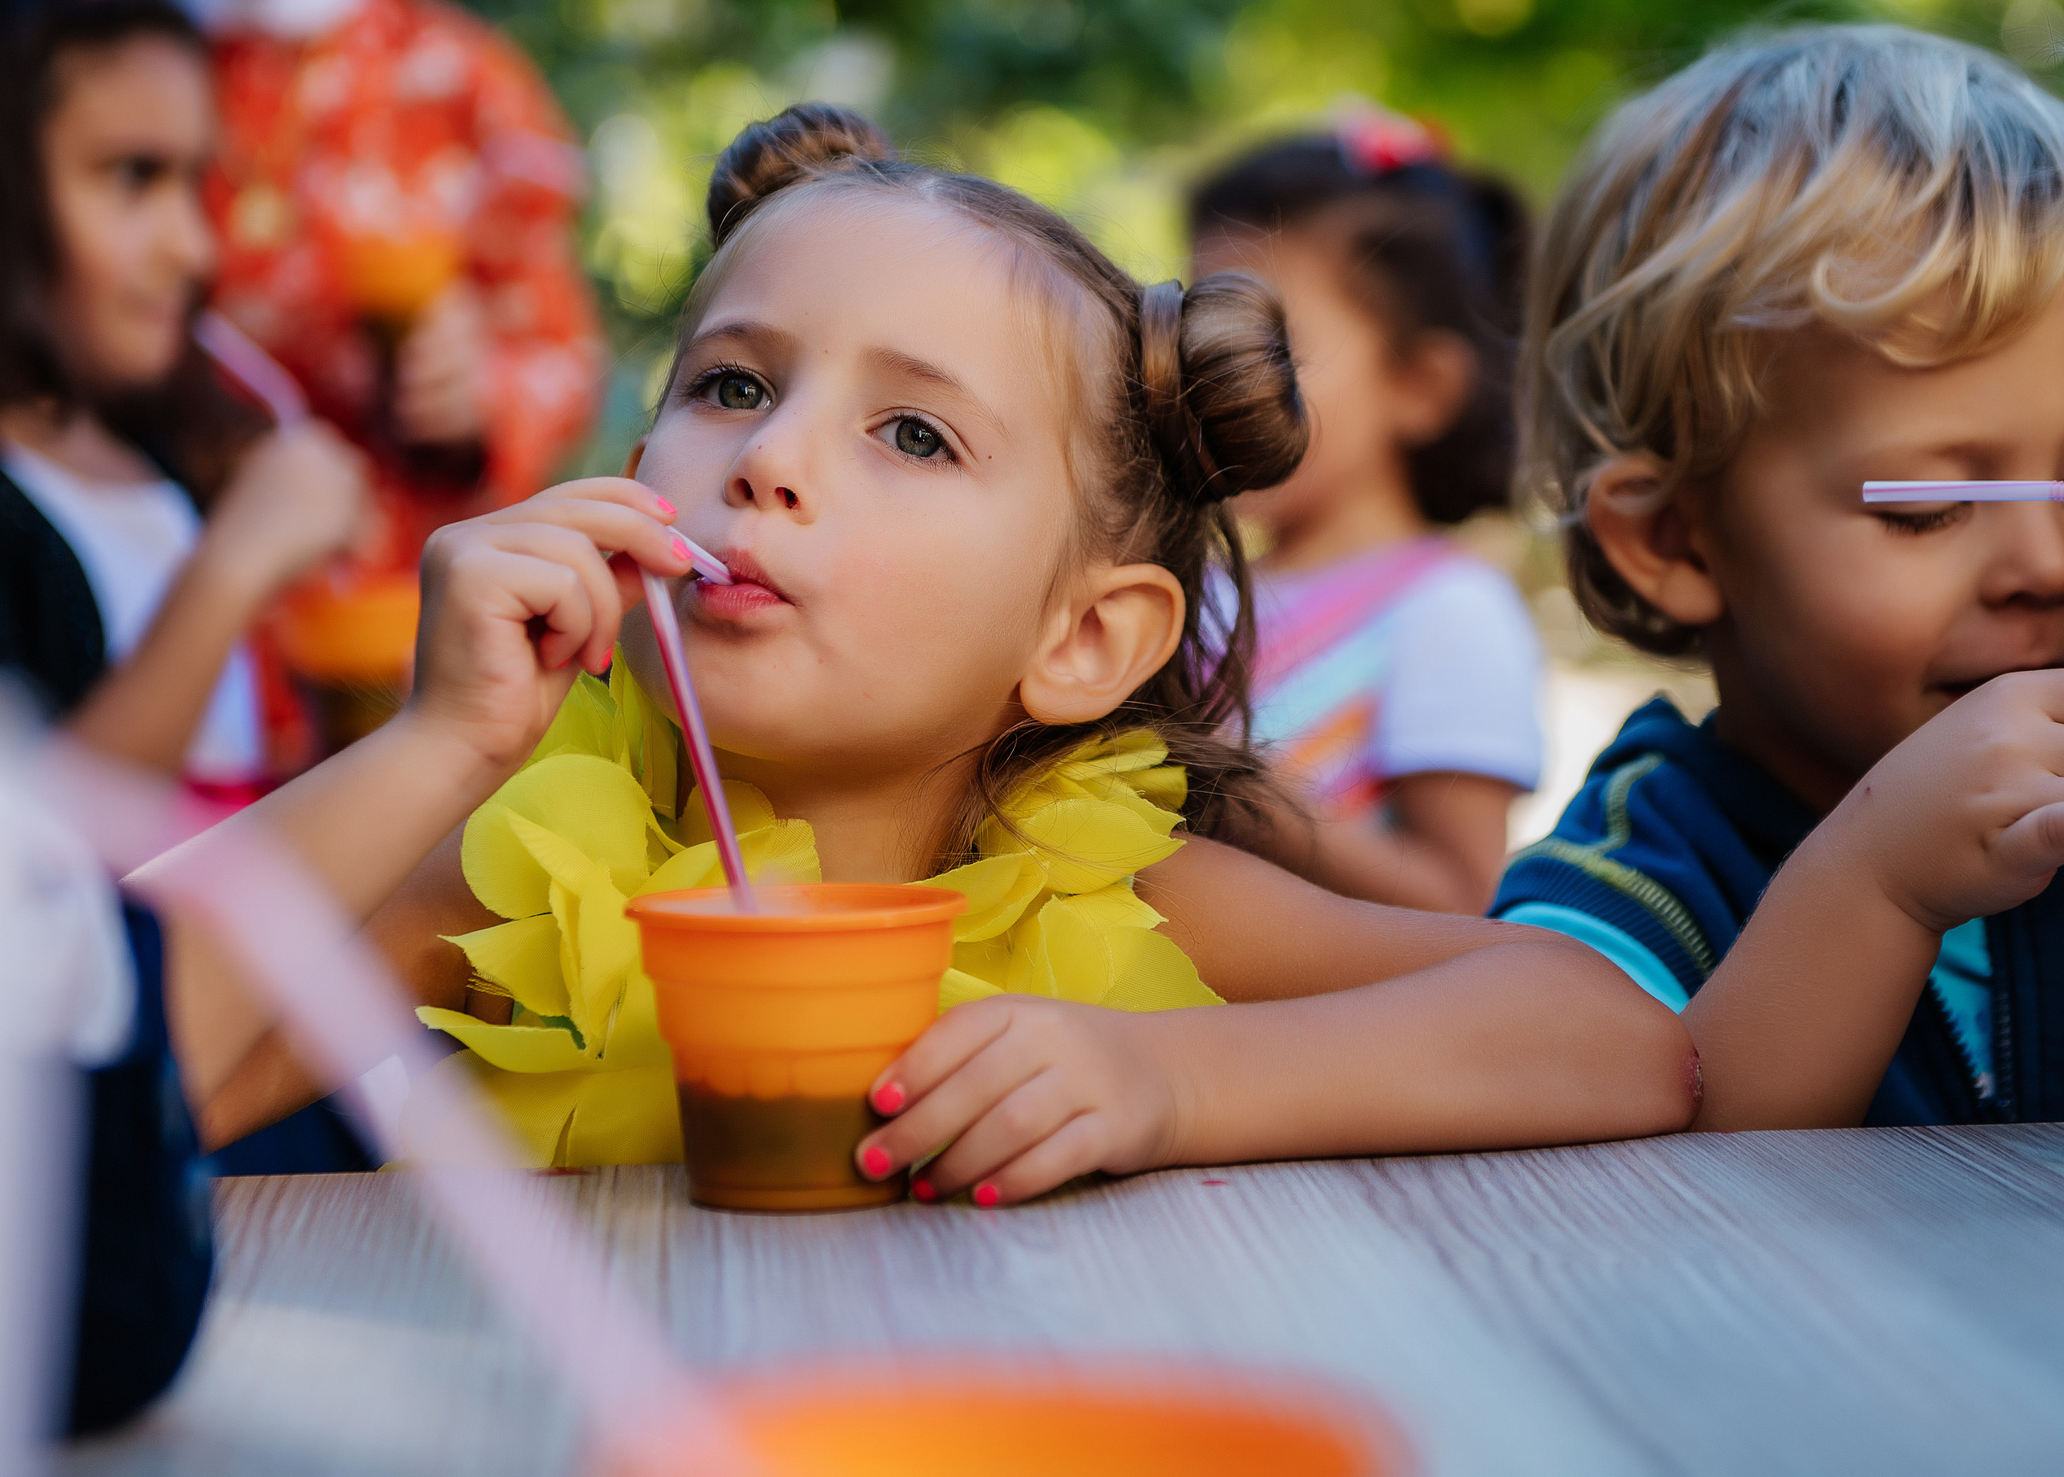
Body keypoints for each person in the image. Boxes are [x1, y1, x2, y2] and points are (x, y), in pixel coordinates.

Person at [147, 103, 1699, 1200]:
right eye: (735, 386)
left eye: (911, 431)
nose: (768, 462)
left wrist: (1168, 1083)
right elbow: (86, 1065)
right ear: (637, 465)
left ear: (1085, 636)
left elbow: (1617, 1038)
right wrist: (441, 745)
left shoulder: (1154, 900)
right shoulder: (519, 869)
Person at [1493, 25, 2064, 1129]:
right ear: (1674, 541)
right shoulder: (1636, 888)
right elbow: (1648, 1202)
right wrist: (1878, 885)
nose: (2048, 566)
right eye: (1928, 509)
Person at [118, 0, 604, 753]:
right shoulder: (59, 68)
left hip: (404, 695)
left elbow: (558, 352)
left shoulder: (464, 85)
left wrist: (478, 394)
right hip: (121, 658)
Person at [0, 0, 368, 793]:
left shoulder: (152, 440)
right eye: (133, 177)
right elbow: (27, 856)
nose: (194, 249)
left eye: (195, 183)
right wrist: (235, 564)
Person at [1185, 112, 1545, 916]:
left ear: (1418, 386)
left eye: (1268, 342)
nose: (1209, 377)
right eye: (1199, 335)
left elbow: (1462, 897)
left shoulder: (1447, 608)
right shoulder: (1183, 587)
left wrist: (1241, 791)